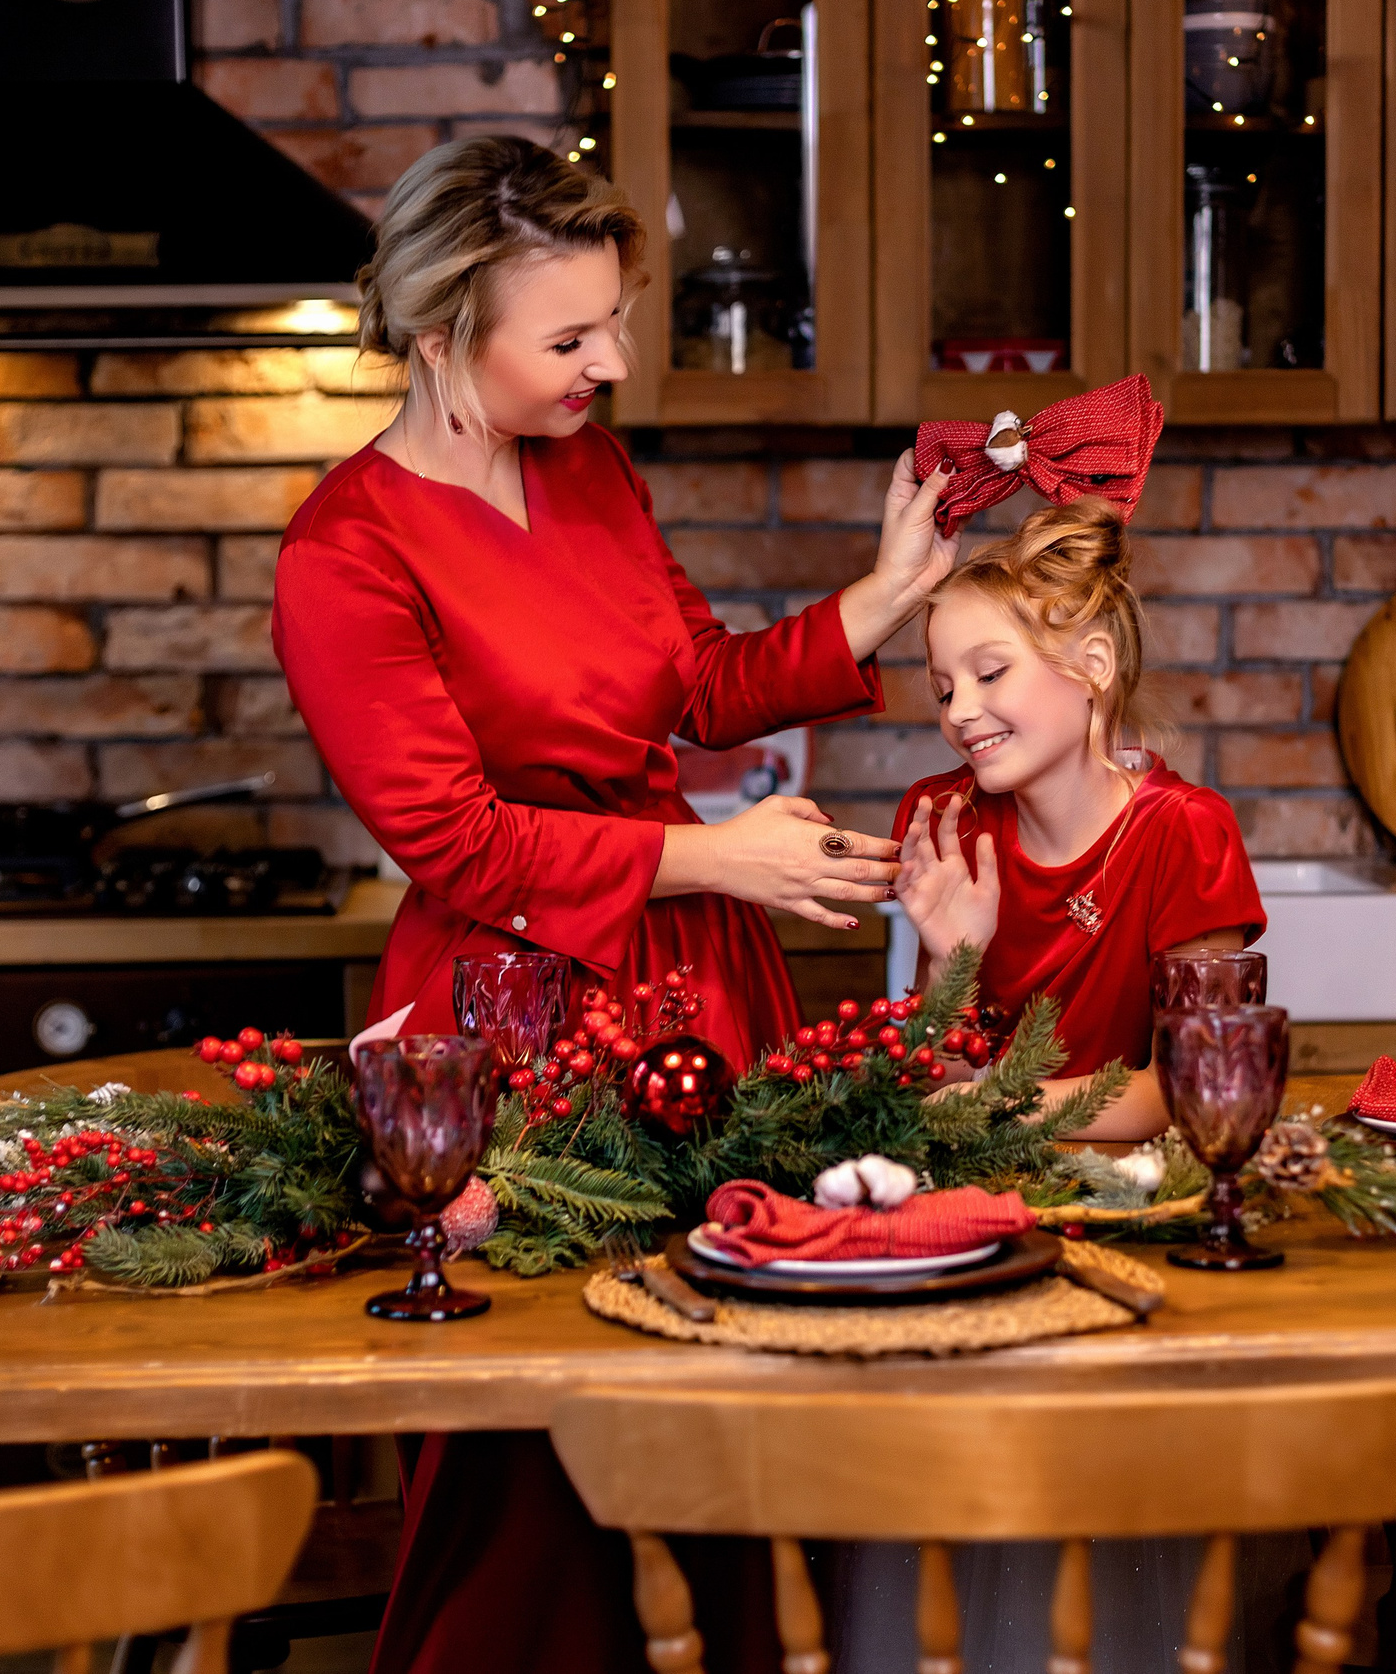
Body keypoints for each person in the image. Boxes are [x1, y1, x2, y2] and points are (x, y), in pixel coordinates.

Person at [272, 134, 954, 1674]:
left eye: (616, 322)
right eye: (571, 335)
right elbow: (454, 839)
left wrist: (889, 592)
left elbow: (695, 683)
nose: (616, 364)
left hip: (699, 985)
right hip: (509, 1016)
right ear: (442, 333)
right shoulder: (345, 550)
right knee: (538, 1455)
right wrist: (721, 860)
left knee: (743, 1408)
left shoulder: (588, 467)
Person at [888, 496, 1266, 1141]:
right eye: (944, 690)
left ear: (1093, 667)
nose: (959, 711)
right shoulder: (953, 822)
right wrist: (952, 963)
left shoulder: (1185, 831)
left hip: (1133, 1179)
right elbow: (931, 1087)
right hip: (985, 1170)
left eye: (990, 673)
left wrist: (994, 1107)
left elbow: (1192, 1087)